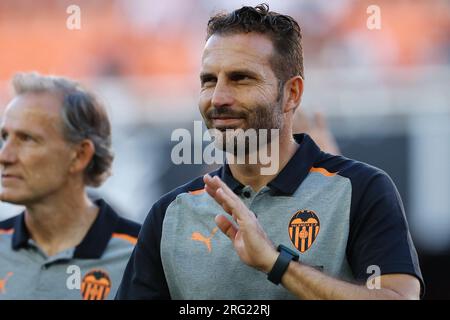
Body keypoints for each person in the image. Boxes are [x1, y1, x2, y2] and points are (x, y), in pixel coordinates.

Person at [116, 4, 423, 299]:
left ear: (292, 93)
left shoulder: (362, 190)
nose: (218, 97)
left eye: (241, 79)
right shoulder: (170, 215)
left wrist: (277, 264)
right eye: (209, 81)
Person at [0, 72, 140, 300]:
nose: (4, 156)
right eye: (5, 137)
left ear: (79, 155)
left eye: (26, 139)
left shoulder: (142, 254)